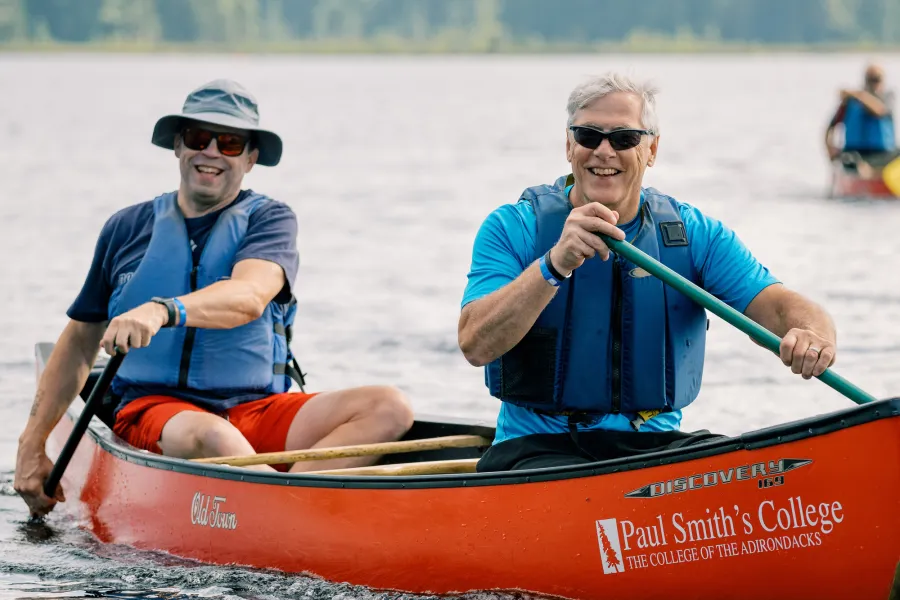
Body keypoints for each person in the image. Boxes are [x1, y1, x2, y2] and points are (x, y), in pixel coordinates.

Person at [15, 79, 414, 518]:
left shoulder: (270, 219)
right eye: (197, 138)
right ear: (178, 147)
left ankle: (295, 509)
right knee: (212, 437)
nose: (211, 152)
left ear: (250, 158)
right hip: (155, 411)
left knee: (389, 406)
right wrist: (31, 446)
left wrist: (161, 310)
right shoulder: (125, 228)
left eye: (229, 142)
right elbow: (78, 340)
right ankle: (290, 514)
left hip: (254, 409)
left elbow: (248, 297)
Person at [458, 72, 838, 472]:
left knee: (765, 468)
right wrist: (554, 265)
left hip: (655, 447)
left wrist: (813, 334)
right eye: (589, 136)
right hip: (536, 448)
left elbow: (778, 307)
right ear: (569, 145)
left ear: (652, 148)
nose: (604, 152)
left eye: (624, 138)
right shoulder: (513, 227)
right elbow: (475, 344)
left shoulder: (693, 235)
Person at [825, 63, 897, 178]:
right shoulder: (850, 103)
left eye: (877, 79)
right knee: (850, 160)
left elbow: (879, 111)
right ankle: (864, 173)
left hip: (883, 155)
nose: (874, 83)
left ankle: (879, 174)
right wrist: (830, 150)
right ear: (865, 81)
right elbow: (830, 128)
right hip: (855, 154)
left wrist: (859, 95)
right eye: (871, 80)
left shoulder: (888, 98)